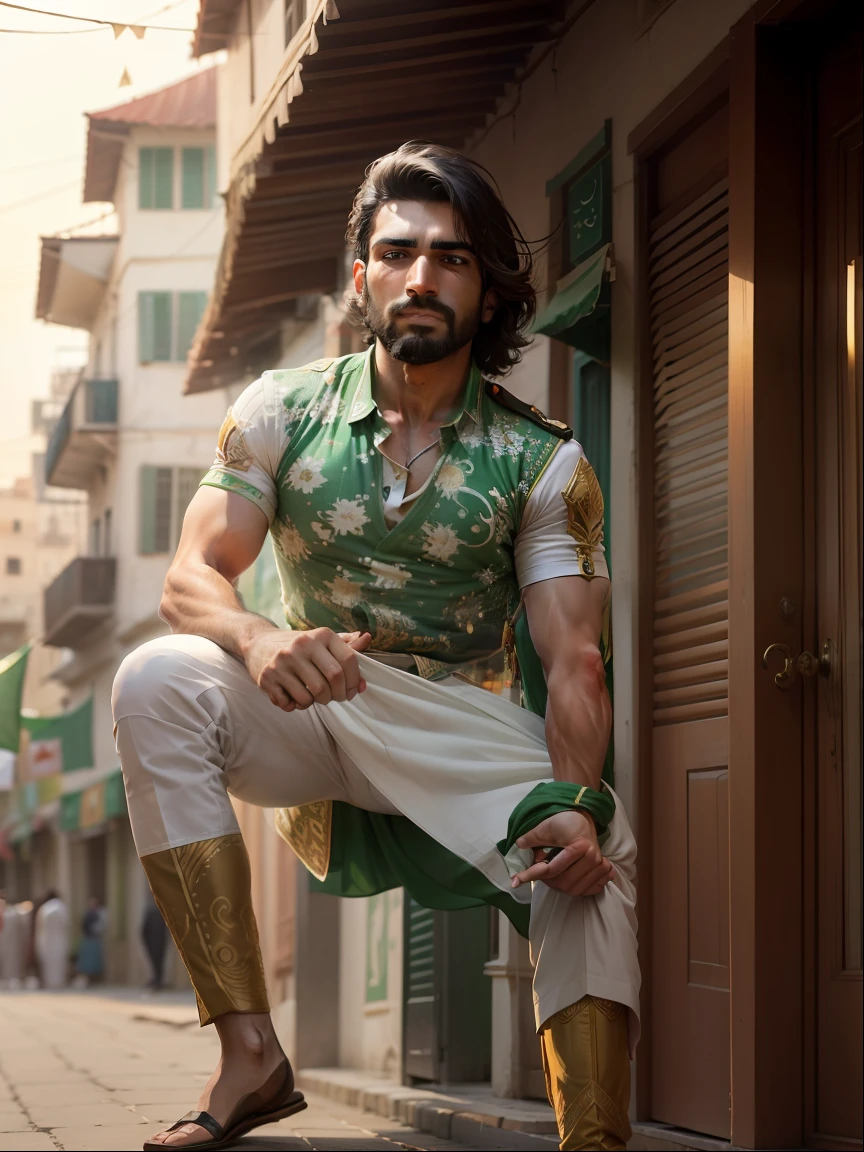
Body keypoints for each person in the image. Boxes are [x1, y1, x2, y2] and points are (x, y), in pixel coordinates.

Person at [113, 141, 639, 1152]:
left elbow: (575, 657)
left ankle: (598, 1142)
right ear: (361, 278)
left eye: (451, 257)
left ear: (488, 294)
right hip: (311, 706)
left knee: (592, 846)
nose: (420, 275)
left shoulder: (544, 460)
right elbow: (190, 575)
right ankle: (251, 1058)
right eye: (397, 252)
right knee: (155, 679)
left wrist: (576, 803)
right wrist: (256, 636)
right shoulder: (280, 410)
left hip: (456, 723)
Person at [34, 889, 69, 989]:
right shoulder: (61, 906)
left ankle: (50, 983)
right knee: (58, 963)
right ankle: (58, 983)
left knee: (48, 963)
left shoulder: (44, 908)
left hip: (46, 940)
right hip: (58, 939)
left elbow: (39, 926)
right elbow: (65, 924)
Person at [75, 896, 107, 985]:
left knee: (95, 961)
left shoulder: (100, 914)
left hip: (95, 939)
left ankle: (96, 978)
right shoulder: (87, 914)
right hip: (88, 939)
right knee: (87, 961)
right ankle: (87, 978)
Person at [141, 894, 168, 990]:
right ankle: (156, 980)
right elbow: (144, 930)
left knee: (159, 962)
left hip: (159, 943)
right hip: (153, 943)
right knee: (155, 962)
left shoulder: (162, 913)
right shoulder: (151, 912)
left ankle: (158, 981)